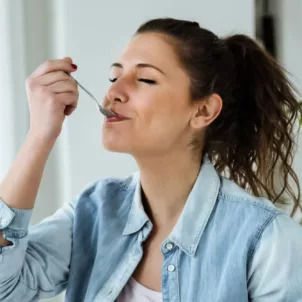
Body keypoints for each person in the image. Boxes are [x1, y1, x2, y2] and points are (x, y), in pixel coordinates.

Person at [0, 17, 302, 302]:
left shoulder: (268, 240)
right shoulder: (93, 212)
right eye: (114, 76)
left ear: (203, 111)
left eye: (145, 79)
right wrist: (40, 135)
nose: (114, 91)